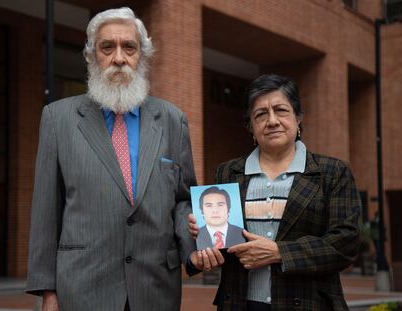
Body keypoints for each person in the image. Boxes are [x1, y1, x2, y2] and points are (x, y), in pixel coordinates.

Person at [26, 7, 221, 311]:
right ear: (92, 56)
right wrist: (47, 291)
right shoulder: (57, 118)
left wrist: (193, 249)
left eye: (129, 47)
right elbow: (46, 209)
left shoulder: (172, 119)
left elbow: (183, 199)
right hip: (81, 287)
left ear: (142, 56)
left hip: (155, 287)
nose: (119, 57)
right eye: (107, 47)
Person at [189, 74, 361, 310]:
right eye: (261, 114)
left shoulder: (332, 172)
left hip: (309, 304)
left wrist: (279, 252)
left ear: (298, 117)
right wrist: (204, 238)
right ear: (250, 126)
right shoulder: (228, 172)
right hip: (240, 303)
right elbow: (227, 246)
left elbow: (346, 244)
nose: (272, 121)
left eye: (281, 110)